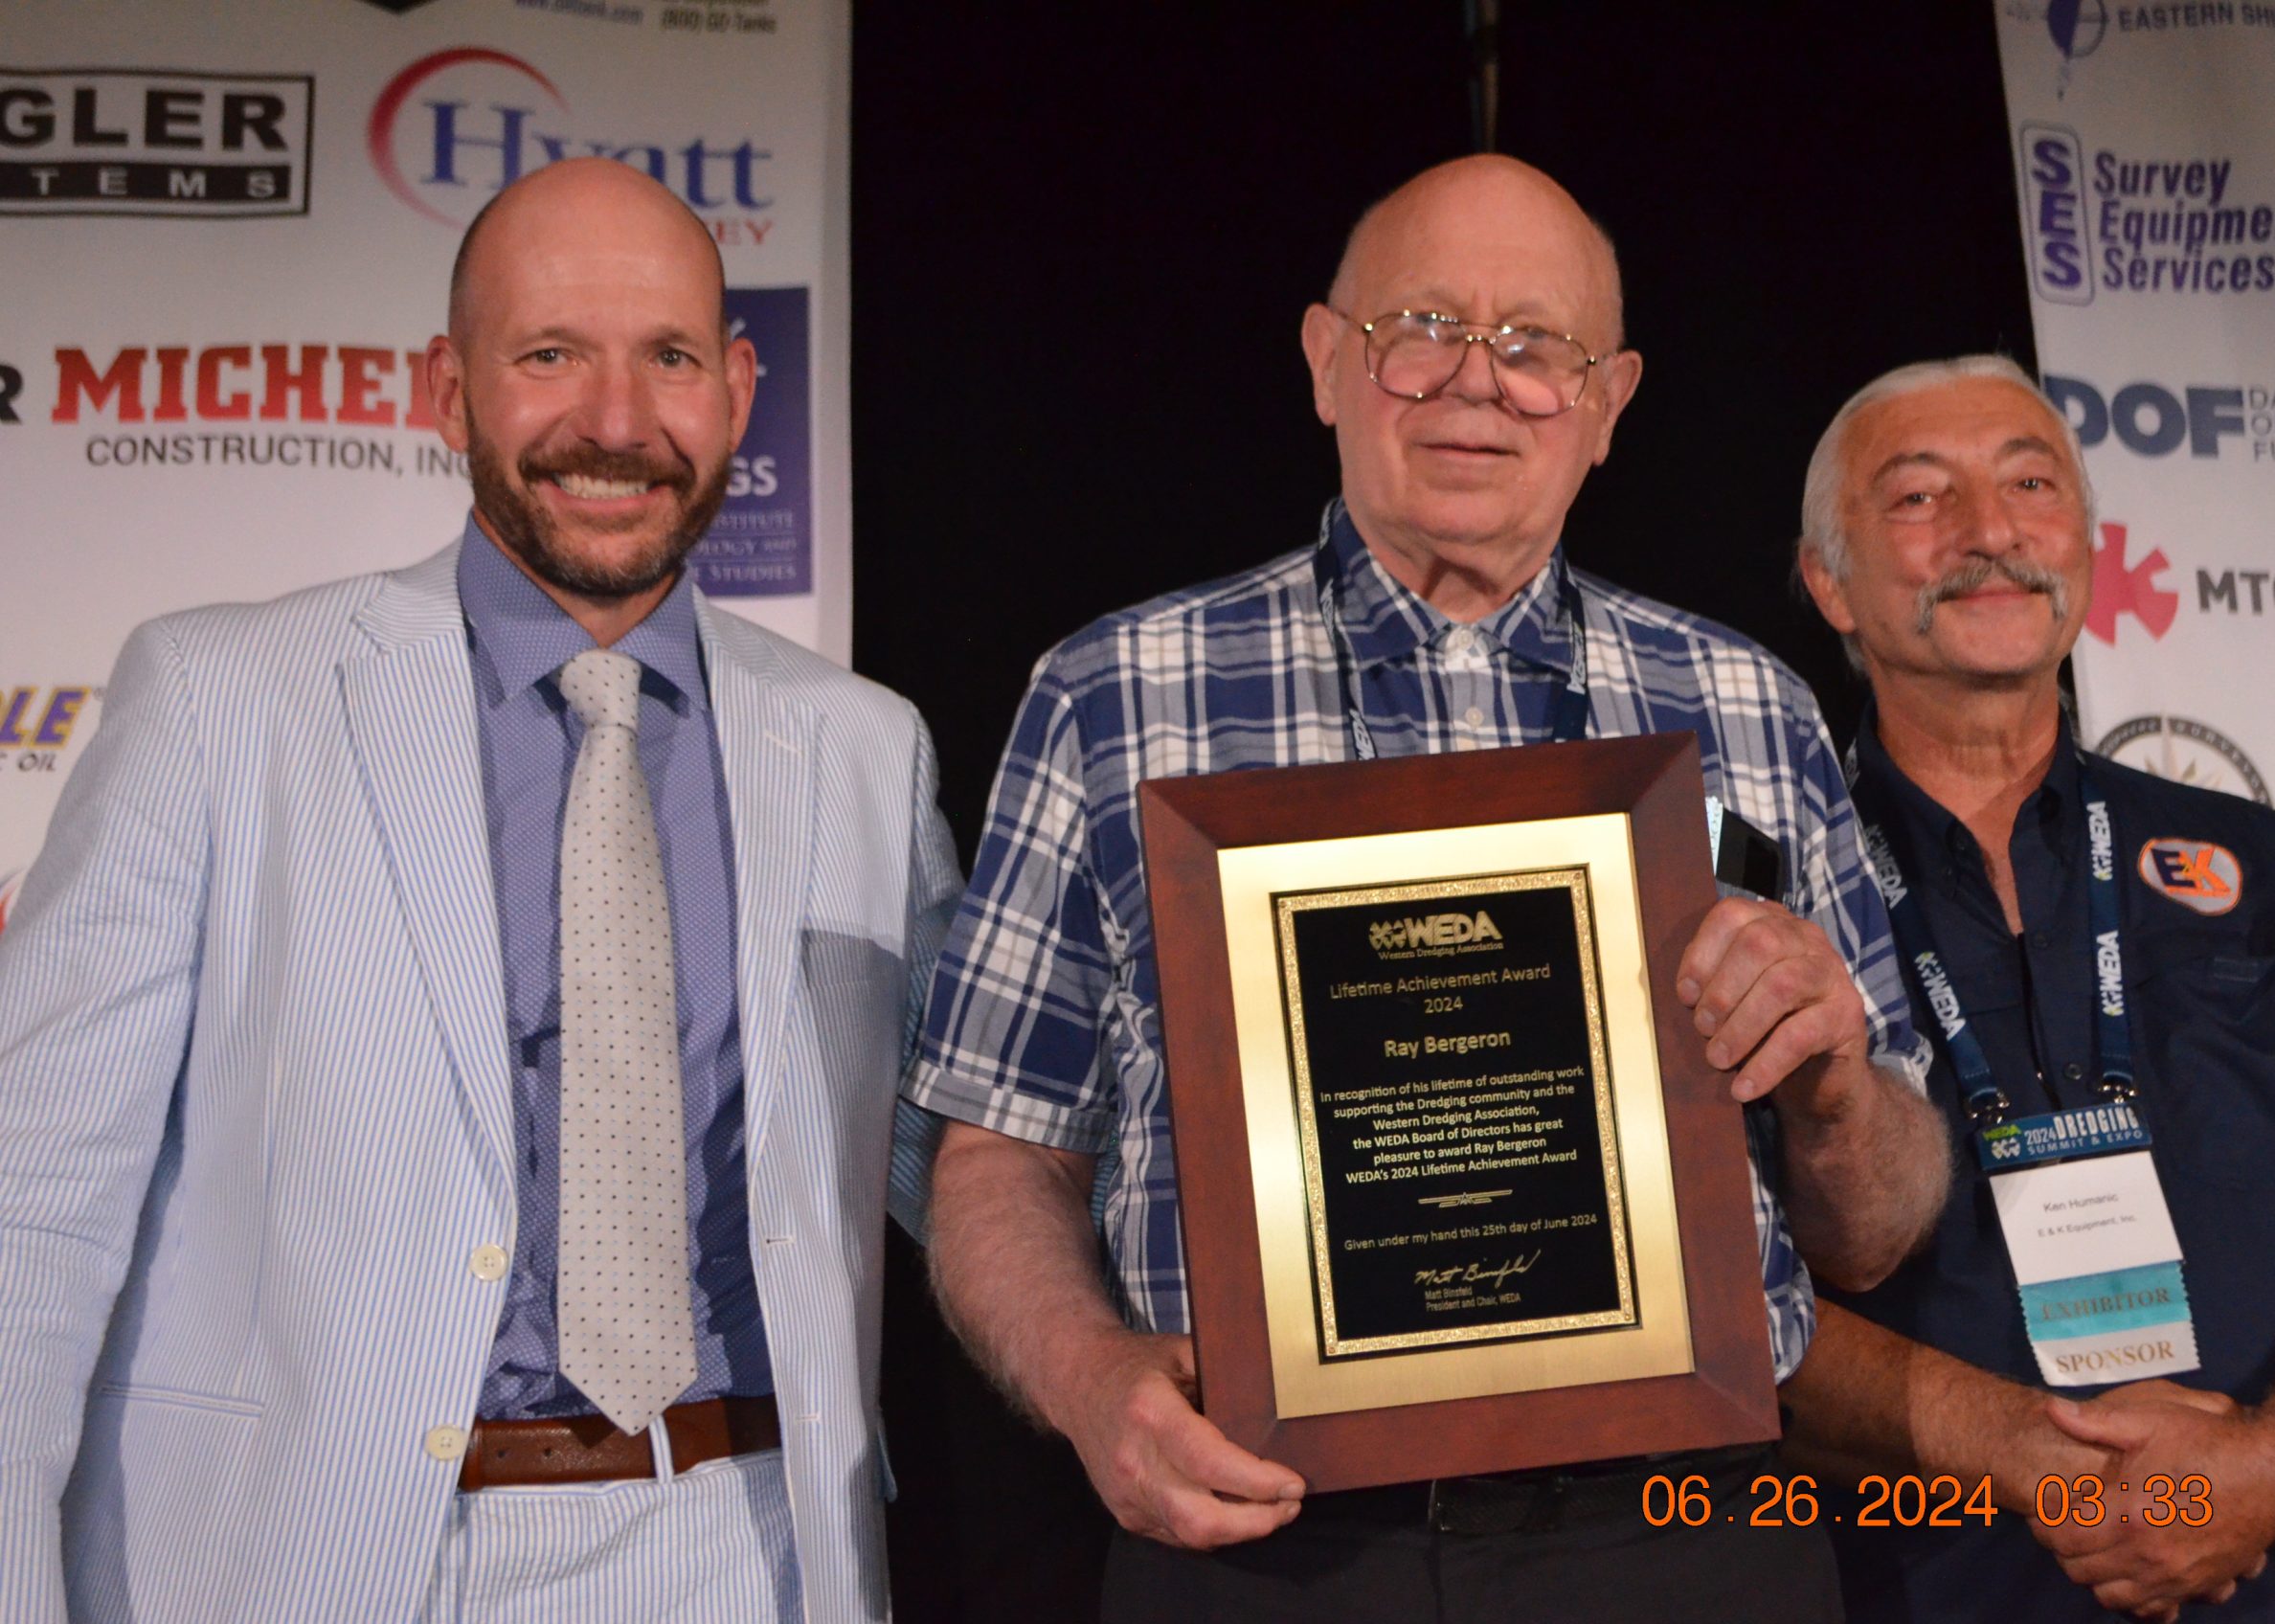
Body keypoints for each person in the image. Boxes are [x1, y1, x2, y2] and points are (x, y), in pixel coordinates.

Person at [904, 154, 1952, 1621]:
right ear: (1329, 362)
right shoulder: (1112, 694)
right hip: (1264, 1543)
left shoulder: (1748, 705)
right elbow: (999, 1151)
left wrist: (1834, 1078)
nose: (1477, 382)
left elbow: (1880, 1226)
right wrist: (1092, 1387)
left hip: (1685, 1532)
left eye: (1537, 346)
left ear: (1609, 405)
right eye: (1421, 328)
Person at [0, 158, 958, 1623]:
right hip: (311, 1561)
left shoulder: (860, 750)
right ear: (447, 391)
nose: (616, 422)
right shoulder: (217, 700)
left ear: (741, 388)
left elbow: (961, 1163)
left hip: (753, 1551)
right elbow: (34, 1205)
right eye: (551, 354)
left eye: (670, 359)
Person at [1784, 353, 2275, 1622]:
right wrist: (2031, 1462)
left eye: (2031, 485)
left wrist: (2274, 1463)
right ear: (1831, 580)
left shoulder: (2267, 866)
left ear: (2085, 545)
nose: (1991, 534)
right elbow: (1730, 1298)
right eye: (1922, 499)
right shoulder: (1761, 899)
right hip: (1936, 1584)